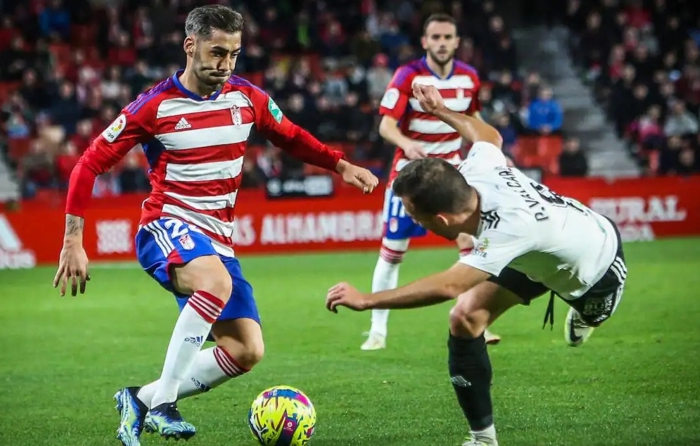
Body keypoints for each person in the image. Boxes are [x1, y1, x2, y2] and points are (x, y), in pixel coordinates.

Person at [52, 6, 378, 446]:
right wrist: (73, 240)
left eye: (234, 54)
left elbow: (290, 135)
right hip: (165, 225)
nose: (225, 64)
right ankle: (164, 404)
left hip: (217, 240)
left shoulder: (247, 97)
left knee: (246, 350)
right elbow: (88, 164)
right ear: (191, 46)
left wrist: (340, 165)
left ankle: (139, 399)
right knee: (216, 283)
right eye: (217, 52)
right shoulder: (154, 106)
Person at [325, 84, 627, 446]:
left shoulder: (507, 230)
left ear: (441, 219)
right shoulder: (475, 171)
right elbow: (489, 135)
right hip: (540, 249)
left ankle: (586, 315)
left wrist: (367, 300)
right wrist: (440, 110)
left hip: (598, 263)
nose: (415, 223)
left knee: (588, 311)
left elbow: (450, 285)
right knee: (464, 317)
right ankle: (484, 439)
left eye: (416, 217)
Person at [364, 13, 500, 350]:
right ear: (425, 42)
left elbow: (473, 119)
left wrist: (493, 150)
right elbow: (386, 125)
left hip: (453, 174)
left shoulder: (469, 77)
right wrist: (406, 143)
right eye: (435, 37)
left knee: (472, 244)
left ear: (457, 42)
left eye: (447, 37)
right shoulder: (407, 75)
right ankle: (377, 331)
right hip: (409, 176)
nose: (441, 43)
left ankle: (475, 321)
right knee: (393, 253)